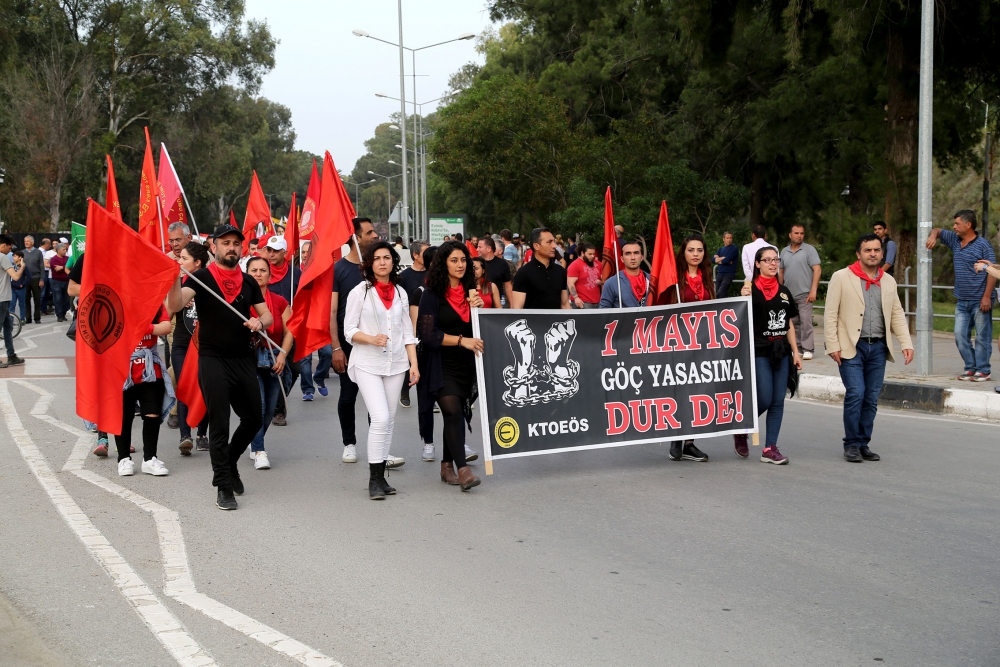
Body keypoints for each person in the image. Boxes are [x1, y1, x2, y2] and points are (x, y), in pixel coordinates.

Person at [166, 223, 273, 511]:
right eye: (225, 243)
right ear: (214, 247)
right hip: (212, 359)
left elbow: (268, 316)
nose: (231, 247)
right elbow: (174, 305)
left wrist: (259, 322)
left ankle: (230, 461)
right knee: (220, 423)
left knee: (253, 419)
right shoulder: (201, 277)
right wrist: (174, 277)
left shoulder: (248, 281)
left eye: (236, 243)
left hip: (243, 359)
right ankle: (223, 486)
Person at [825, 233, 914, 463]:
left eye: (876, 250)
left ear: (882, 253)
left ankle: (863, 442)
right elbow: (830, 314)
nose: (872, 254)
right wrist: (832, 345)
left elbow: (896, 313)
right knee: (856, 393)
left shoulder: (888, 281)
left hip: (878, 348)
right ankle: (851, 444)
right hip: (851, 346)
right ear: (858, 254)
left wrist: (906, 343)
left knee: (871, 397)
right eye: (867, 250)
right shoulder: (841, 277)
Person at [343, 242, 419, 499]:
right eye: (377, 258)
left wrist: (413, 364)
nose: (383, 262)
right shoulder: (360, 292)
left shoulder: (400, 292)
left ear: (393, 261)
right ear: (369, 263)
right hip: (367, 363)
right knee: (381, 418)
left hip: (396, 363)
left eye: (387, 257)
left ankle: (381, 477)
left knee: (390, 420)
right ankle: (373, 480)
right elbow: (349, 330)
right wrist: (371, 338)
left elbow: (407, 332)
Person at [332, 218, 404, 467]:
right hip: (351, 345)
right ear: (355, 237)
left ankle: (381, 452)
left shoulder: (390, 279)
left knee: (381, 408)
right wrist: (336, 347)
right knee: (348, 396)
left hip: (385, 349)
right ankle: (349, 443)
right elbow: (333, 312)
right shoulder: (339, 269)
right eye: (369, 232)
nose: (375, 235)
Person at [416, 241, 484, 491]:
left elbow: (479, 330)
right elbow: (427, 334)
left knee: (455, 415)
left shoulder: (471, 293)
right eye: (454, 260)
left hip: (466, 364)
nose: (460, 265)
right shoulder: (431, 294)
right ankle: (463, 470)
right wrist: (461, 340)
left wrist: (480, 311)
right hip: (440, 363)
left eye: (463, 260)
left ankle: (446, 466)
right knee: (453, 411)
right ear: (443, 264)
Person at [738, 246, 802, 464]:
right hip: (759, 351)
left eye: (776, 259)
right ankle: (742, 427)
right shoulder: (749, 290)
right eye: (767, 260)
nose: (773, 264)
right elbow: (737, 317)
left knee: (778, 401)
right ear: (757, 264)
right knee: (765, 398)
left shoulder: (784, 292)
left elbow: (788, 323)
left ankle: (770, 448)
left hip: (781, 352)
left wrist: (796, 352)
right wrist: (742, 298)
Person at [925, 209, 996, 381]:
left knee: (982, 337)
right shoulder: (955, 240)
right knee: (959, 335)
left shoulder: (983, 245)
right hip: (962, 300)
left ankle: (983, 370)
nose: (954, 226)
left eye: (957, 223)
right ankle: (971, 367)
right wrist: (933, 236)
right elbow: (938, 230)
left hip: (980, 299)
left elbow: (992, 272)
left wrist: (987, 297)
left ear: (968, 224)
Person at [666, 234, 716, 462]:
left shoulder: (707, 278)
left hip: (702, 344)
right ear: (683, 253)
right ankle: (676, 437)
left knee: (697, 391)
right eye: (691, 250)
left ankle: (689, 442)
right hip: (678, 343)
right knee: (680, 391)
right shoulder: (675, 278)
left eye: (700, 250)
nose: (696, 254)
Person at [245, 257, 293, 471]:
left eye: (262, 270)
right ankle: (259, 450)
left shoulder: (280, 301)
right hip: (249, 359)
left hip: (275, 359)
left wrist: (282, 355)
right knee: (260, 405)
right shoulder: (240, 301)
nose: (258, 274)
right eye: (253, 270)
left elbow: (290, 331)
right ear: (246, 274)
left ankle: (253, 439)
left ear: (270, 275)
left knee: (270, 408)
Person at [115, 304, 174, 477]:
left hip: (150, 369)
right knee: (123, 417)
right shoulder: (116, 301)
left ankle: (149, 459)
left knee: (152, 414)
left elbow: (166, 327)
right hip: (121, 369)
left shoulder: (155, 302)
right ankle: (123, 458)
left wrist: (144, 327)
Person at [173, 242, 210, 454]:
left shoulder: (211, 282)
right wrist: (178, 297)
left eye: (184, 258)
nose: (180, 261)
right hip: (181, 344)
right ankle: (185, 436)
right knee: (184, 386)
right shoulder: (178, 282)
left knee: (205, 388)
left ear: (197, 263)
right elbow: (167, 308)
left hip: (205, 345)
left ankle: (202, 434)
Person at [262, 235, 299, 425]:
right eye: (269, 250)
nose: (272, 254)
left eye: (276, 251)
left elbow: (304, 296)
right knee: (274, 369)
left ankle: (277, 399)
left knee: (295, 368)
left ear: (285, 253)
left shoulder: (295, 273)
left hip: (292, 329)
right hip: (270, 331)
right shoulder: (263, 272)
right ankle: (278, 410)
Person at [779, 224, 822, 361]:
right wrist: (780, 289)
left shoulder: (809, 250)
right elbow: (781, 271)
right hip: (788, 294)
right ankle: (797, 348)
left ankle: (808, 349)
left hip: (805, 293)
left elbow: (817, 269)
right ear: (790, 235)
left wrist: (813, 290)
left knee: (806, 321)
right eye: (796, 233)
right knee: (793, 322)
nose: (799, 236)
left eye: (802, 233)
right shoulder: (784, 251)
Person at [397, 242, 427, 408]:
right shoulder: (404, 277)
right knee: (410, 360)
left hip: (431, 323)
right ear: (415, 255)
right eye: (425, 253)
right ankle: (405, 390)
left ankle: (429, 395)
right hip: (409, 324)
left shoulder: (433, 274)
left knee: (428, 360)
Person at [510, 228, 570, 309]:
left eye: (554, 242)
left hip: (556, 317)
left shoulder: (560, 271)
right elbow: (517, 308)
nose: (554, 246)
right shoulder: (523, 273)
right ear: (536, 246)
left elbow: (565, 304)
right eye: (549, 242)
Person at [0, 235, 26, 368]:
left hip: (3, 297)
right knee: (3, 327)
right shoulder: (2, 257)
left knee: (8, 327)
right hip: (2, 297)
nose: (10, 251)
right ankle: (10, 355)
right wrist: (22, 267)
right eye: (9, 248)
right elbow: (15, 276)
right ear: (3, 245)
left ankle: (11, 355)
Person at [599, 241, 650, 308]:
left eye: (636, 253)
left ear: (641, 257)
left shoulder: (652, 280)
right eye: (628, 254)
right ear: (622, 259)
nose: (633, 257)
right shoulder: (611, 283)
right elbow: (604, 310)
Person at [476, 237, 513, 307]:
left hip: (499, 304)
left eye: (480, 247)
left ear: (488, 249)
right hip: (480, 303)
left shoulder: (502, 264)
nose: (477, 249)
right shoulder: (476, 264)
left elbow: (508, 286)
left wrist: (512, 305)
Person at [566, 242, 602, 309]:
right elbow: (570, 283)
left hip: (598, 300)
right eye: (590, 254)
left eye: (593, 254)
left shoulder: (598, 264)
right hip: (583, 301)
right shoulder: (574, 265)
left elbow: (604, 278)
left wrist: (602, 282)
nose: (592, 256)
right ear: (582, 253)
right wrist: (576, 298)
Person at [21, 235, 44, 324]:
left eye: (28, 241)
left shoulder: (38, 252)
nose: (26, 243)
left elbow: (41, 266)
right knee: (26, 299)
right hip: (25, 279)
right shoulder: (22, 252)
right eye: (25, 241)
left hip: (36, 278)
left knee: (37, 299)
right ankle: (28, 318)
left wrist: (42, 279)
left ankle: (37, 318)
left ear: (32, 242)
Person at [48, 242, 71, 322]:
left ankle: (63, 313)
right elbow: (57, 269)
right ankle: (59, 315)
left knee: (66, 299)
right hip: (57, 281)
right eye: (63, 250)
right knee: (58, 299)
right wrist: (65, 267)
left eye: (65, 249)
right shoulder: (54, 259)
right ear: (58, 250)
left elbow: (71, 267)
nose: (65, 251)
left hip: (66, 281)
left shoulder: (67, 258)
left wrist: (62, 267)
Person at [713, 231, 739, 298]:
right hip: (720, 274)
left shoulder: (734, 248)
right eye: (727, 238)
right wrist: (722, 259)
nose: (729, 240)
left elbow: (727, 260)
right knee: (717, 294)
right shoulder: (721, 249)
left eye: (730, 238)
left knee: (720, 294)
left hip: (728, 274)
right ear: (723, 239)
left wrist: (718, 260)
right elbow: (712, 259)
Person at [10, 250, 29, 322]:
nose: (13, 258)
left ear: (20, 257)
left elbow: (29, 277)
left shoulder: (24, 267)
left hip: (21, 289)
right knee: (12, 304)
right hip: (12, 288)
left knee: (22, 304)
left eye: (15, 256)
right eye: (13, 256)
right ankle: (11, 320)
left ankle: (22, 319)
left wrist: (22, 284)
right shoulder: (11, 266)